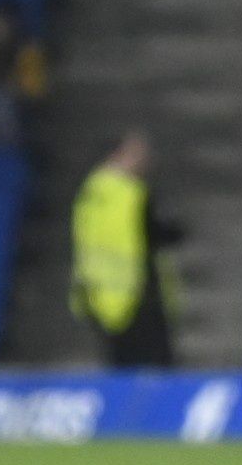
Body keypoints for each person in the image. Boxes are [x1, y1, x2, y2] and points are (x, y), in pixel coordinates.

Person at [70, 129, 178, 366]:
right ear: (120, 154)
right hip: (138, 293)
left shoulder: (90, 191)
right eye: (138, 154)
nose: (145, 160)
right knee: (155, 364)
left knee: (118, 365)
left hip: (98, 293)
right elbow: (153, 232)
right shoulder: (132, 193)